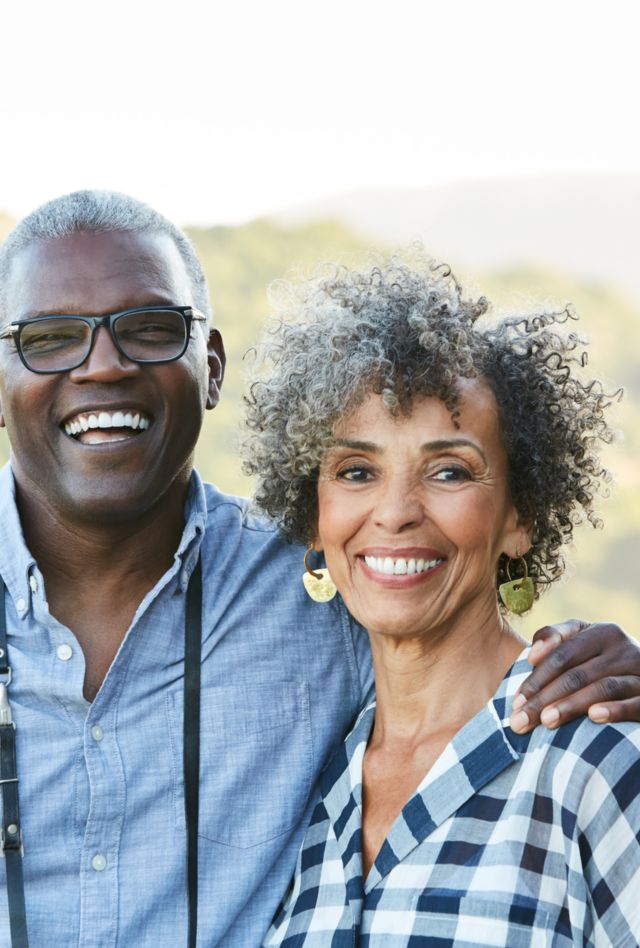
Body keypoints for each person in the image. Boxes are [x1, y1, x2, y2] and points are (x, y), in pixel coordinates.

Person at [0, 194, 637, 948]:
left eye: (148, 329)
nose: (102, 366)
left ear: (210, 369)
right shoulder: (336, 808)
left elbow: (448, 626)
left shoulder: (320, 587)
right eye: (50, 337)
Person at [241, 255, 640, 946]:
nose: (394, 512)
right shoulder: (311, 793)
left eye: (449, 470)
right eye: (357, 471)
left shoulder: (597, 762)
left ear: (521, 515)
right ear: (315, 516)